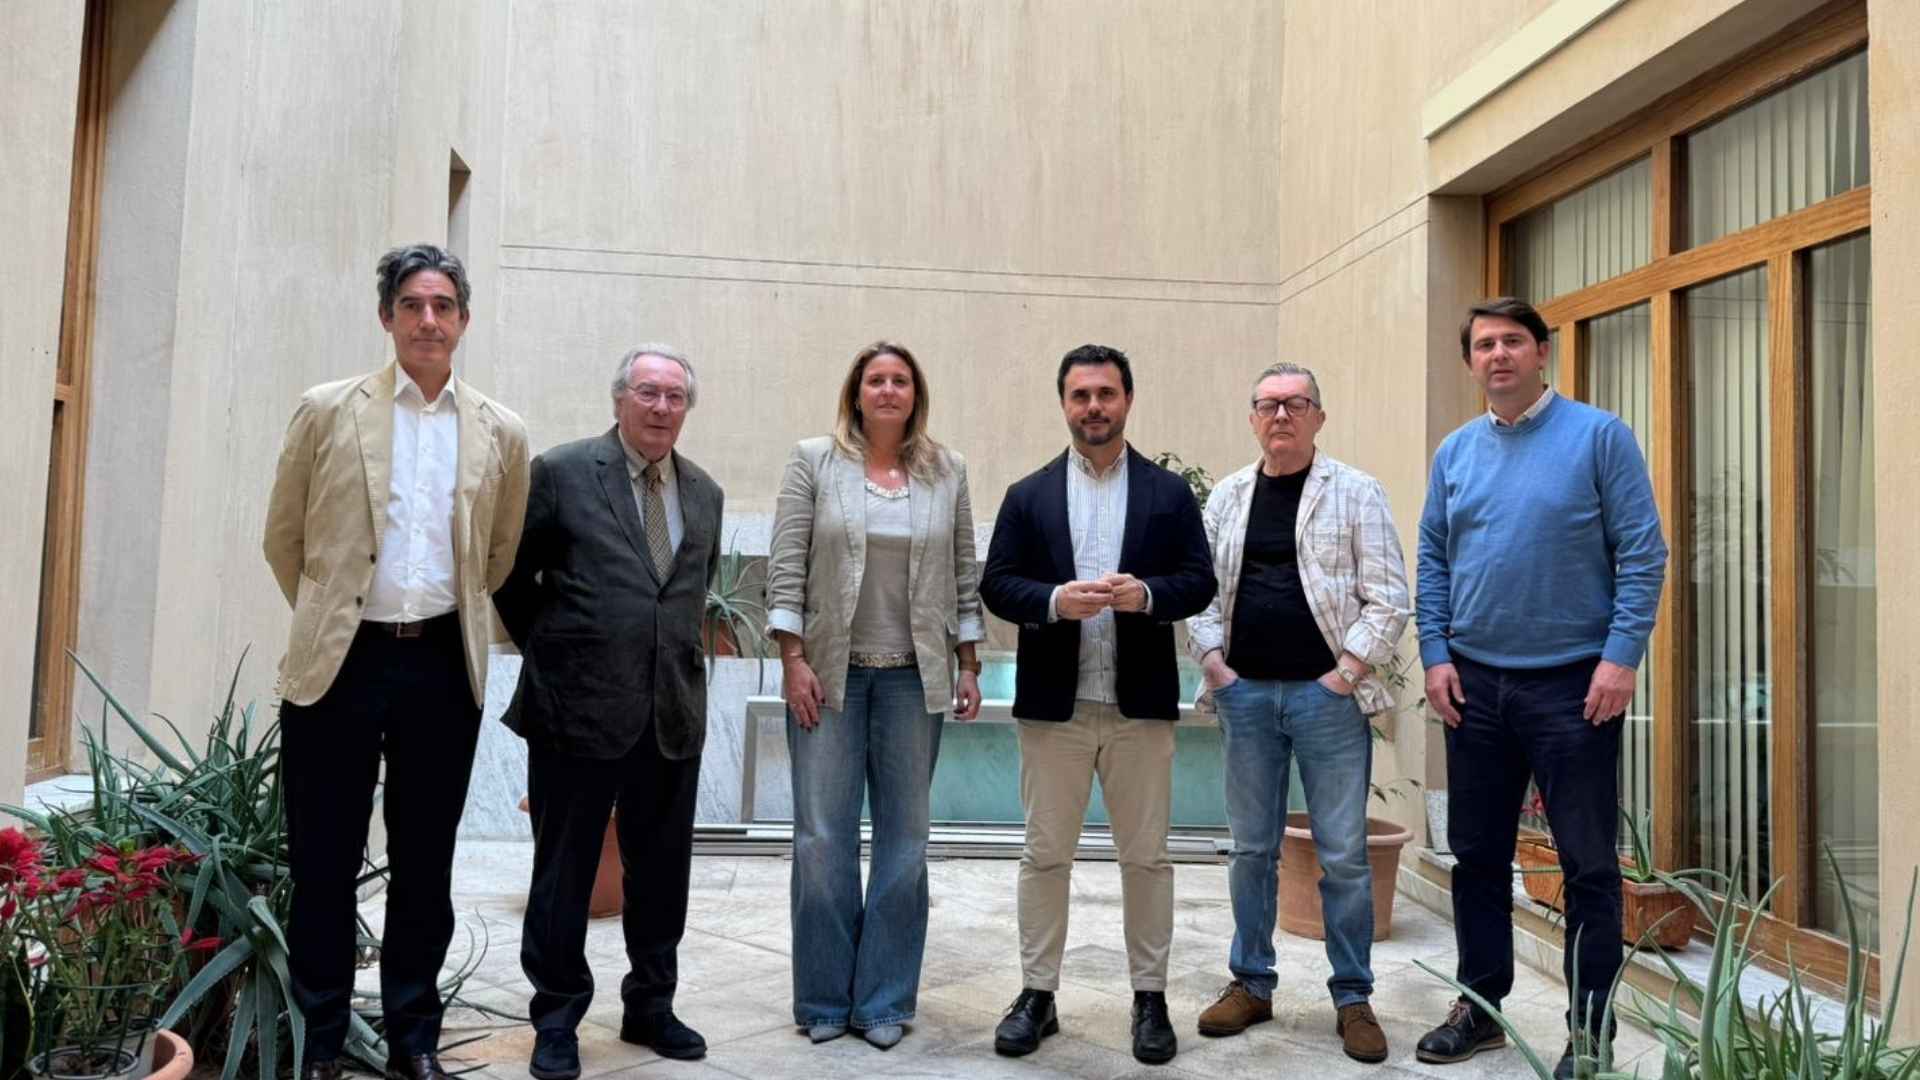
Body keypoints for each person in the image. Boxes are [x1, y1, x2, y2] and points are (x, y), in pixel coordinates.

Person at [263, 244, 530, 1080]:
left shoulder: (500, 431)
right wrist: (336, 616)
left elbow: (497, 553)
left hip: (442, 667)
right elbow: (286, 538)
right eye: (412, 305)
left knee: (425, 864)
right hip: (340, 665)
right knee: (324, 863)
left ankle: (414, 1038)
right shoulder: (327, 410)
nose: (428, 320)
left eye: (443, 306)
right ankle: (320, 1043)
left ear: (463, 320)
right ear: (387, 317)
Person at [1413, 298, 1667, 1079]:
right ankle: (1481, 1007)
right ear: (1470, 363)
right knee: (1477, 856)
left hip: (1573, 687)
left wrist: (1620, 658)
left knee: (1588, 866)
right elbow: (1432, 559)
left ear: (1542, 352)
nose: (1498, 355)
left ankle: (1588, 1032)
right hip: (1474, 688)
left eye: (1512, 342)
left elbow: (1643, 554)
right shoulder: (1455, 453)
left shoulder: (1599, 437)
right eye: (1484, 344)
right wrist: (1434, 653)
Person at [979, 344, 1216, 1066]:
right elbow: (998, 584)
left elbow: (1199, 582)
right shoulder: (1029, 495)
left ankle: (1150, 999)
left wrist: (1147, 596)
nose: (1094, 407)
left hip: (1139, 707)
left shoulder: (1169, 494)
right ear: (1064, 405)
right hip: (1056, 709)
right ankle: (1037, 996)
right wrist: (1053, 601)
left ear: (1128, 401)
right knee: (1044, 857)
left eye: (1106, 393)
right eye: (1080, 395)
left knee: (1146, 860)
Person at [491, 345, 725, 1078]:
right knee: (563, 874)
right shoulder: (562, 474)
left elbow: (686, 596)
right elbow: (508, 576)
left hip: (671, 713)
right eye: (648, 393)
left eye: (675, 397)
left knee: (662, 875)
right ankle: (557, 1018)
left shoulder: (706, 493)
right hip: (574, 711)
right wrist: (557, 650)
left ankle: (650, 1006)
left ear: (687, 408)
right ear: (619, 398)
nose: (661, 408)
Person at [1187, 362, 1411, 1064]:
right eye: (1268, 405)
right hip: (1246, 695)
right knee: (1251, 849)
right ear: (1252, 418)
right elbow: (1200, 590)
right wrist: (1215, 664)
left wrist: (1345, 674)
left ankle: (1353, 997)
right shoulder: (1225, 496)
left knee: (1343, 856)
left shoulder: (1356, 492)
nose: (1281, 415)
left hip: (1327, 701)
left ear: (1319, 416)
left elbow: (1389, 596)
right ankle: (1251, 983)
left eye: (1296, 404)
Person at [765, 341, 985, 1051]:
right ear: (855, 393)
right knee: (823, 839)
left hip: (911, 680)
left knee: (905, 843)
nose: (888, 390)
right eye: (875, 380)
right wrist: (793, 659)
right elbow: (786, 565)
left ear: (915, 394)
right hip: (829, 676)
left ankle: (885, 998)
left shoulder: (946, 471)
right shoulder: (812, 462)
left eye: (900, 380)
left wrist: (970, 661)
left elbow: (962, 571)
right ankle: (825, 1000)